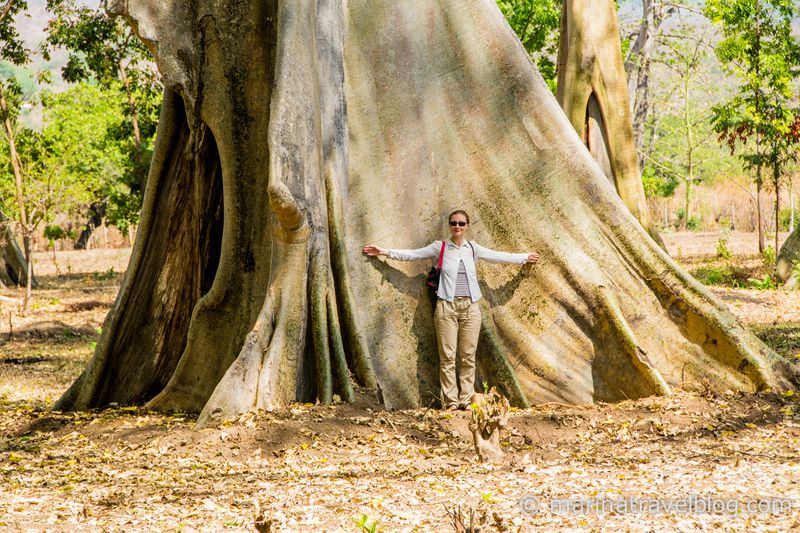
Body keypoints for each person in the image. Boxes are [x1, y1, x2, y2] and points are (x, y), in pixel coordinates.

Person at [362, 210, 539, 410]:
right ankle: (451, 402)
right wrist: (384, 251)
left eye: (461, 223)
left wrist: (525, 257)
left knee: (468, 356)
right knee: (447, 356)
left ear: (467, 226)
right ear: (449, 226)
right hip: (447, 307)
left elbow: (498, 256)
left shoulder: (473, 248)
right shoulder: (441, 247)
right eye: (454, 223)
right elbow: (412, 255)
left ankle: (465, 399)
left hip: (471, 308)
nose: (457, 227)